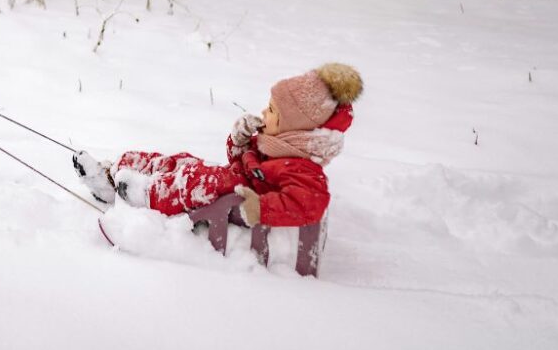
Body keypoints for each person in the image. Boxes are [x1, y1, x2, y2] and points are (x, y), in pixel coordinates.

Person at [73, 63, 362, 227]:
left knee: (192, 183)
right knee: (181, 162)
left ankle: (138, 194)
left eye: (273, 111)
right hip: (228, 180)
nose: (264, 113)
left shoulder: (302, 166)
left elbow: (308, 204)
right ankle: (116, 172)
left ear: (295, 125)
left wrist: (261, 208)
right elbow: (242, 162)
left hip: (231, 197)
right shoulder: (279, 142)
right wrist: (240, 140)